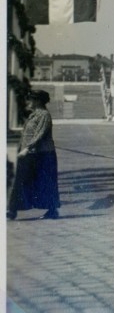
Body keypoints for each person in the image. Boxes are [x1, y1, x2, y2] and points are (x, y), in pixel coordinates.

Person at [7, 90, 61, 220]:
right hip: (30, 154)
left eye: (30, 99)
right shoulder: (34, 115)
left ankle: (52, 211)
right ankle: (12, 210)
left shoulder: (44, 115)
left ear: (37, 101)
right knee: (21, 181)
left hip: (43, 155)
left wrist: (27, 148)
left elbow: (39, 134)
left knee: (46, 183)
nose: (28, 102)